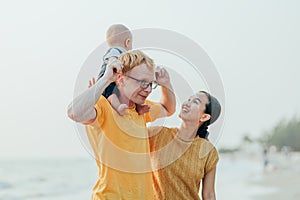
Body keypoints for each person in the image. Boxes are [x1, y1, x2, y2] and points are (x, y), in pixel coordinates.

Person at [67, 50, 176, 199]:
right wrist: (106, 79)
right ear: (121, 79)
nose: (148, 89)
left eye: (151, 84)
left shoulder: (141, 110)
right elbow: (74, 113)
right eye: (143, 82)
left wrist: (166, 84)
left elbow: (168, 108)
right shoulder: (104, 107)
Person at [148, 91, 221, 200]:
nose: (186, 103)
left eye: (195, 102)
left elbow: (209, 194)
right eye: (189, 99)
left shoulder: (208, 151)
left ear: (204, 117)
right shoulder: (157, 134)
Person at [93, 24, 149, 115]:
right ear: (128, 42)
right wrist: (114, 62)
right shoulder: (116, 50)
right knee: (112, 95)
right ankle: (118, 107)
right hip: (108, 82)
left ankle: (138, 108)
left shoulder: (124, 56)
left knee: (131, 91)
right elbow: (112, 57)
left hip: (117, 80)